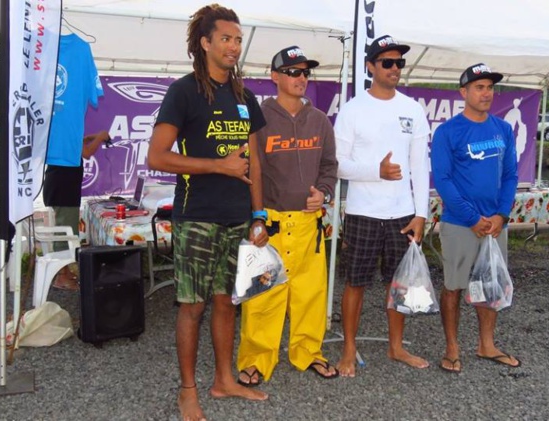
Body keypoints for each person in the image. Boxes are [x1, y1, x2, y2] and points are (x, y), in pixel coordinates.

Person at [147, 4, 268, 420]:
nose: (234, 47)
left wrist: (259, 216)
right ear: (205, 43)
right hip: (196, 217)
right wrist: (219, 166)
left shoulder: (245, 97)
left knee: (226, 303)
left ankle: (224, 380)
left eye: (238, 40)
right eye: (226, 39)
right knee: (192, 307)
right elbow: (157, 157)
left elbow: (254, 162)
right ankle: (187, 391)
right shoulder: (183, 92)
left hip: (238, 218)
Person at [236, 46, 338, 386]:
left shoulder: (320, 120)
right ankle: (255, 359)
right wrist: (256, 218)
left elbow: (329, 166)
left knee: (311, 295)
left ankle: (308, 352)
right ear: (275, 76)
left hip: (308, 226)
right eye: (293, 72)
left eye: (305, 72)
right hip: (272, 224)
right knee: (262, 297)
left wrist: (323, 192)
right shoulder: (259, 118)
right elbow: (250, 170)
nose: (301, 78)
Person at [334, 35, 431, 377]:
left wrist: (421, 214)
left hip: (402, 214)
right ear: (370, 67)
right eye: (387, 62)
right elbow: (338, 163)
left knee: (398, 282)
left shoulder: (412, 109)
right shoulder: (353, 109)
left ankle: (396, 346)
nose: (394, 68)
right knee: (355, 282)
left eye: (399, 63)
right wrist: (375, 171)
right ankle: (348, 347)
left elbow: (420, 166)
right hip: (362, 211)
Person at [431, 63, 520, 374]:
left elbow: (510, 175)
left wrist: (502, 215)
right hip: (460, 223)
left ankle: (486, 344)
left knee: (490, 282)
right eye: (479, 87)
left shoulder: (503, 129)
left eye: (490, 87)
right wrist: (472, 218)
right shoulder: (448, 132)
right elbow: (442, 180)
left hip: (495, 225)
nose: (486, 93)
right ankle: (452, 348)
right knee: (453, 286)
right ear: (463, 92)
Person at [42, 32, 106, 291]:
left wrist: (89, 137)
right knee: (66, 229)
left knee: (62, 225)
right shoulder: (80, 50)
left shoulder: (46, 48)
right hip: (65, 175)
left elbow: (77, 145)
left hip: (56, 173)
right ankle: (61, 275)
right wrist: (100, 137)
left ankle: (61, 271)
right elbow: (86, 152)